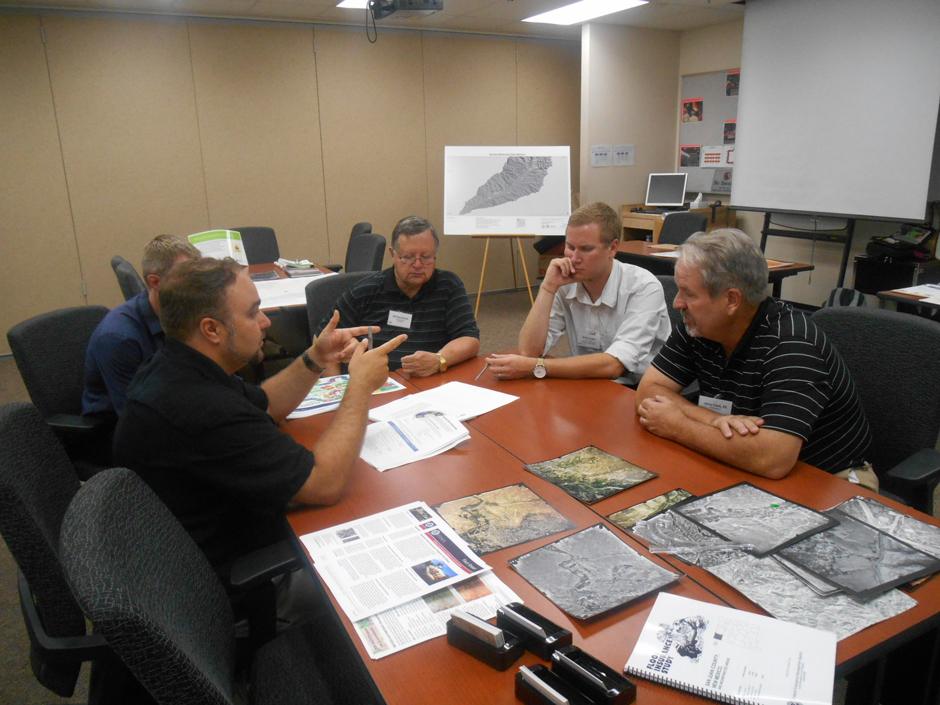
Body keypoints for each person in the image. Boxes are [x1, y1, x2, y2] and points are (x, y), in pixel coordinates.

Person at [113, 257, 406, 574]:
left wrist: (317, 356)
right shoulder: (202, 408)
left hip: (198, 533)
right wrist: (359, 386)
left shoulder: (178, 364)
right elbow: (324, 484)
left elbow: (265, 403)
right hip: (220, 567)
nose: (266, 322)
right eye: (253, 313)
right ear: (211, 329)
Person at [635, 228, 872, 482]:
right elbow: (648, 390)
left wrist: (680, 426)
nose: (677, 303)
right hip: (739, 461)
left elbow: (772, 459)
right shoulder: (698, 326)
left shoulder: (792, 344)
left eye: (688, 293)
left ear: (732, 300)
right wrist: (713, 421)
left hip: (827, 480)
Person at [485, 202, 671, 386]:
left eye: (586, 249)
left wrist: (538, 366)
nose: (574, 259)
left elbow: (615, 365)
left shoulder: (643, 286)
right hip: (587, 380)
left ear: (613, 248)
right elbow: (529, 351)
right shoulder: (564, 283)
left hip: (640, 388)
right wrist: (548, 288)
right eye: (570, 247)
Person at [316, 216, 480, 377]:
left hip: (429, 381)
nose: (417, 265)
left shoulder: (449, 285)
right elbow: (324, 340)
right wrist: (336, 386)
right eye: (408, 257)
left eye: (426, 257)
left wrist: (440, 360)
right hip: (374, 384)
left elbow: (469, 338)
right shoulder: (365, 290)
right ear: (392, 254)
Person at [82, 234, 200, 420]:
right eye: (188, 277)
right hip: (118, 430)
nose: (198, 286)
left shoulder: (182, 312)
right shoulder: (118, 338)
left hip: (171, 404)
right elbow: (138, 418)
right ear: (155, 282)